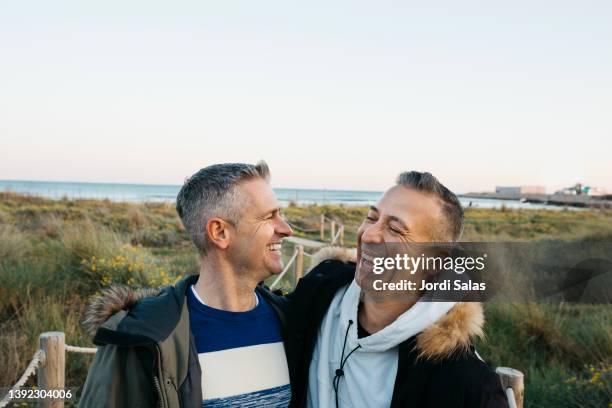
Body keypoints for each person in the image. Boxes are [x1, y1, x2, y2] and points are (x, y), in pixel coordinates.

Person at [80, 161, 296, 407]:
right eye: (269, 216)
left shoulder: (292, 320)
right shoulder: (145, 337)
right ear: (220, 233)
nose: (286, 229)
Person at [288, 171, 508, 407]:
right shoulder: (320, 291)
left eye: (395, 229)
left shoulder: (465, 384)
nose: (369, 235)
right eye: (372, 218)